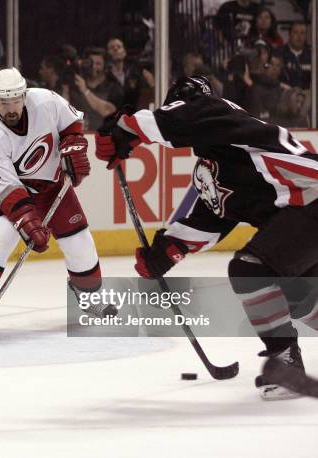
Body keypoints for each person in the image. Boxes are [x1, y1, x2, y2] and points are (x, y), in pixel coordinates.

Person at [95, 75, 318, 401]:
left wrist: (125, 128)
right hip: (305, 212)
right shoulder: (220, 159)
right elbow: (213, 219)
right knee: (298, 294)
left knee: (250, 270)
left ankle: (285, 359)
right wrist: (166, 252)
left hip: (312, 200)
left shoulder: (220, 112)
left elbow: (180, 116)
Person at [0, 67, 113, 336]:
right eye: (4, 102)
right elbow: (7, 190)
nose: (11, 107)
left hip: (51, 184)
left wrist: (73, 145)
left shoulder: (46, 100)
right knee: (3, 234)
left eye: (15, 99)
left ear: (24, 95)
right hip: (5, 193)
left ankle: (89, 298)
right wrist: (28, 222)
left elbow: (71, 124)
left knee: (79, 240)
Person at [68, 47, 120, 130]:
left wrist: (85, 90)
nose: (93, 67)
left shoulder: (114, 87)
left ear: (105, 66)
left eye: (98, 64)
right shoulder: (76, 85)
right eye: (90, 63)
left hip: (104, 137)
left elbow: (109, 112)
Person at [279, 21, 311, 90]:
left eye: (302, 33)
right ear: (289, 34)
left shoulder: (312, 56)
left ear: (306, 36)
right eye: (295, 32)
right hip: (283, 96)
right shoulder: (278, 53)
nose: (299, 36)